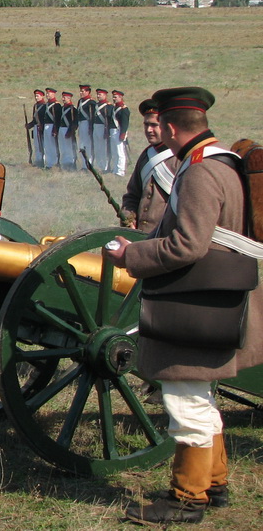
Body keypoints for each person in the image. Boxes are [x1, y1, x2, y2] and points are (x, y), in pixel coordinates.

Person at [106, 87, 263, 524]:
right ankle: (213, 482)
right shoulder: (220, 164)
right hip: (215, 301)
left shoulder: (200, 173)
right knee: (200, 395)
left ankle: (186, 497)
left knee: (185, 397)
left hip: (195, 303)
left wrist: (129, 257)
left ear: (172, 126)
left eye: (164, 128)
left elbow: (187, 246)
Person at [121, 99, 177, 234]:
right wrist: (128, 217)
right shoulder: (146, 155)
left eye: (154, 125)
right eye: (146, 125)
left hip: (167, 237)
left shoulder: (180, 158)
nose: (148, 130)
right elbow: (132, 195)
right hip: (142, 235)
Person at [110, 89, 130, 176]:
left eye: (115, 97)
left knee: (120, 152)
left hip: (119, 132)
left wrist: (123, 134)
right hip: (113, 132)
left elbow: (125, 123)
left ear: (120, 97)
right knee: (114, 152)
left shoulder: (123, 109)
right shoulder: (115, 108)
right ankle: (115, 169)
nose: (114, 99)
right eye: (113, 97)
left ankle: (121, 171)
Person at [92, 88, 113, 172]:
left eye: (100, 94)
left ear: (105, 95)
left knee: (104, 148)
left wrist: (107, 130)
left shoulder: (109, 106)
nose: (98, 96)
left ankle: (105, 166)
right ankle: (99, 165)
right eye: (97, 94)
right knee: (97, 147)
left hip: (103, 127)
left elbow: (110, 119)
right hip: (95, 127)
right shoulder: (96, 105)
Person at [57, 91, 78, 171]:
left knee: (69, 147)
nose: (63, 99)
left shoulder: (73, 109)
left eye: (64, 97)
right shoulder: (62, 108)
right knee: (63, 147)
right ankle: (64, 163)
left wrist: (70, 131)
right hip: (61, 129)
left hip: (68, 129)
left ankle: (70, 163)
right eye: (62, 97)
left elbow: (74, 122)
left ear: (69, 98)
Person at [77, 85, 96, 165]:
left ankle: (89, 163)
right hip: (81, 124)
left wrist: (90, 127)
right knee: (82, 143)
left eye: (83, 91)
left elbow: (92, 116)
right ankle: (84, 164)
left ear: (88, 92)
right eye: (81, 91)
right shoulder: (80, 101)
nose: (81, 92)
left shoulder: (91, 102)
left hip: (87, 123)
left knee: (87, 144)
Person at [27, 89, 46, 167]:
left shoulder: (45, 106)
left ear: (42, 96)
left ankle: (43, 161)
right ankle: (38, 160)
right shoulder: (35, 106)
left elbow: (46, 118)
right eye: (35, 96)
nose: (36, 97)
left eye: (37, 96)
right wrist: (30, 125)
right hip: (36, 127)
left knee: (42, 145)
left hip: (41, 128)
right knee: (37, 145)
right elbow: (34, 119)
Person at [42, 88, 60, 169]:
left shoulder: (56, 105)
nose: (47, 95)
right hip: (46, 126)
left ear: (53, 94)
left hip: (52, 126)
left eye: (49, 93)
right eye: (47, 93)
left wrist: (55, 129)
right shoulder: (46, 105)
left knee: (53, 145)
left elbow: (58, 118)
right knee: (47, 145)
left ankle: (54, 162)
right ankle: (49, 163)